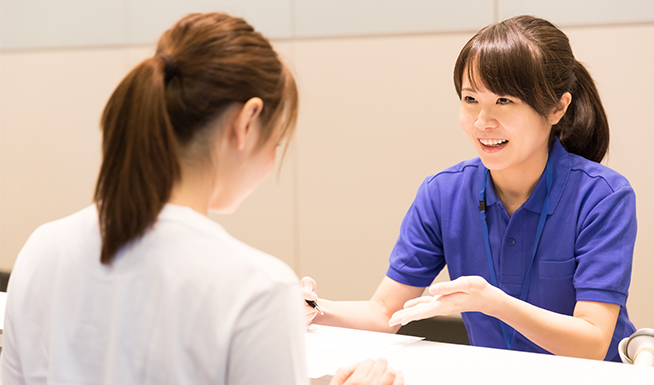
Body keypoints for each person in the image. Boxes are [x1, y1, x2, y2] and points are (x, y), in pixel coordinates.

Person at [1, 13, 403, 385]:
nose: (272, 160)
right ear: (246, 122)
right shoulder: (256, 287)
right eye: (276, 141)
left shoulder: (42, 249)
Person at [303, 15, 637, 362]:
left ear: (557, 107)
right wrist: (311, 308)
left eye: (504, 101)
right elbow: (384, 312)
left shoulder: (603, 197)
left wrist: (494, 304)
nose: (482, 122)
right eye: (470, 99)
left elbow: (593, 342)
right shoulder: (442, 194)